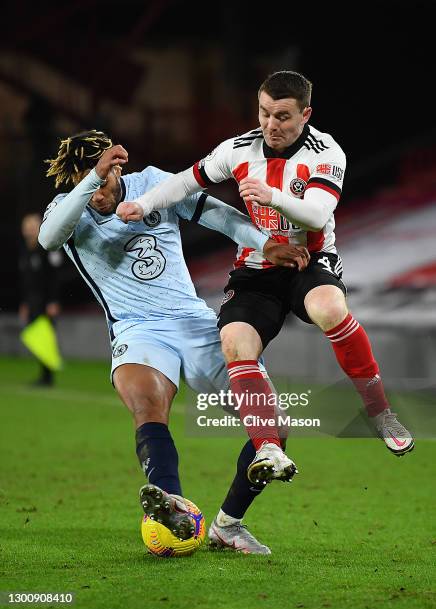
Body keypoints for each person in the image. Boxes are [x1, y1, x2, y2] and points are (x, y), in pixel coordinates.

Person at [117, 70, 414, 465]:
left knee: (329, 309)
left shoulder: (326, 153)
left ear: (305, 114)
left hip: (310, 260)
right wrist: (145, 204)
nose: (270, 125)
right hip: (257, 266)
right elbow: (186, 182)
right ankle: (267, 445)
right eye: (264, 113)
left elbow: (316, 213)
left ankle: (379, 412)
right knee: (235, 343)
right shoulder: (238, 150)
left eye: (283, 116)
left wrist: (272, 195)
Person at [39, 130, 309, 554]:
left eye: (102, 183)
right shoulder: (67, 208)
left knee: (273, 424)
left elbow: (217, 215)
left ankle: (228, 524)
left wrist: (264, 243)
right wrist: (91, 178)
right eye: (84, 184)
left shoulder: (152, 185)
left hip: (192, 321)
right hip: (136, 329)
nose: (95, 195)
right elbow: (48, 238)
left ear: (120, 169)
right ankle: (171, 503)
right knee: (148, 406)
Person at [19, 212, 62, 386]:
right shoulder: (25, 251)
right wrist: (24, 303)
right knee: (37, 337)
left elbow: (55, 277)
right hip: (32, 302)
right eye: (26, 227)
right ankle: (44, 374)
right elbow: (26, 281)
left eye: (32, 227)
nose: (29, 231)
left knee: (46, 337)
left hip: (46, 302)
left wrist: (54, 300)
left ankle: (48, 376)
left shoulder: (47, 247)